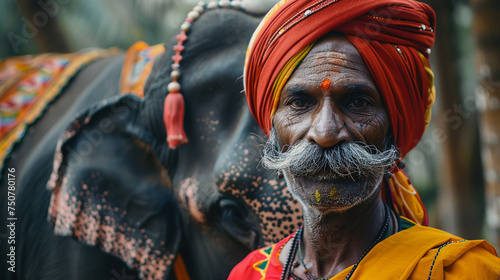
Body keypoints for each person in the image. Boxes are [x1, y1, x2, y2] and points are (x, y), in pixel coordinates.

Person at [228, 0, 500, 279]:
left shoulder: (461, 271)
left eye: (357, 101)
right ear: (273, 129)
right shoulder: (248, 273)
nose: (325, 134)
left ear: (394, 129)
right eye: (300, 102)